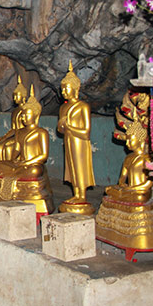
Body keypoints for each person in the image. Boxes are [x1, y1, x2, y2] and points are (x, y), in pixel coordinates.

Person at [57, 61, 95, 206]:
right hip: (68, 140)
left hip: (80, 142)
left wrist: (69, 126)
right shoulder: (63, 108)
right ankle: (75, 193)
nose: (63, 92)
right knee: (71, 167)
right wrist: (62, 126)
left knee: (80, 167)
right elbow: (60, 130)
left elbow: (86, 132)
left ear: (75, 88)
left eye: (66, 88)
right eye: (62, 89)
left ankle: (82, 195)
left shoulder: (83, 106)